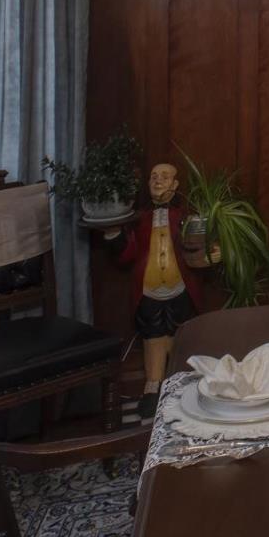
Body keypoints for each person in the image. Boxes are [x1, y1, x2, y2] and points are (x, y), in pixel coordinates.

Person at [105, 162, 206, 419]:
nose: (158, 181)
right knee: (153, 337)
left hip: (179, 288)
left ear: (175, 185)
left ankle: (182, 381)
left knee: (181, 333)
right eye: (153, 177)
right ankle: (153, 385)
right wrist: (113, 234)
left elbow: (197, 249)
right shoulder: (140, 219)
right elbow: (128, 254)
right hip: (149, 291)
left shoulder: (184, 217)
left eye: (165, 177)